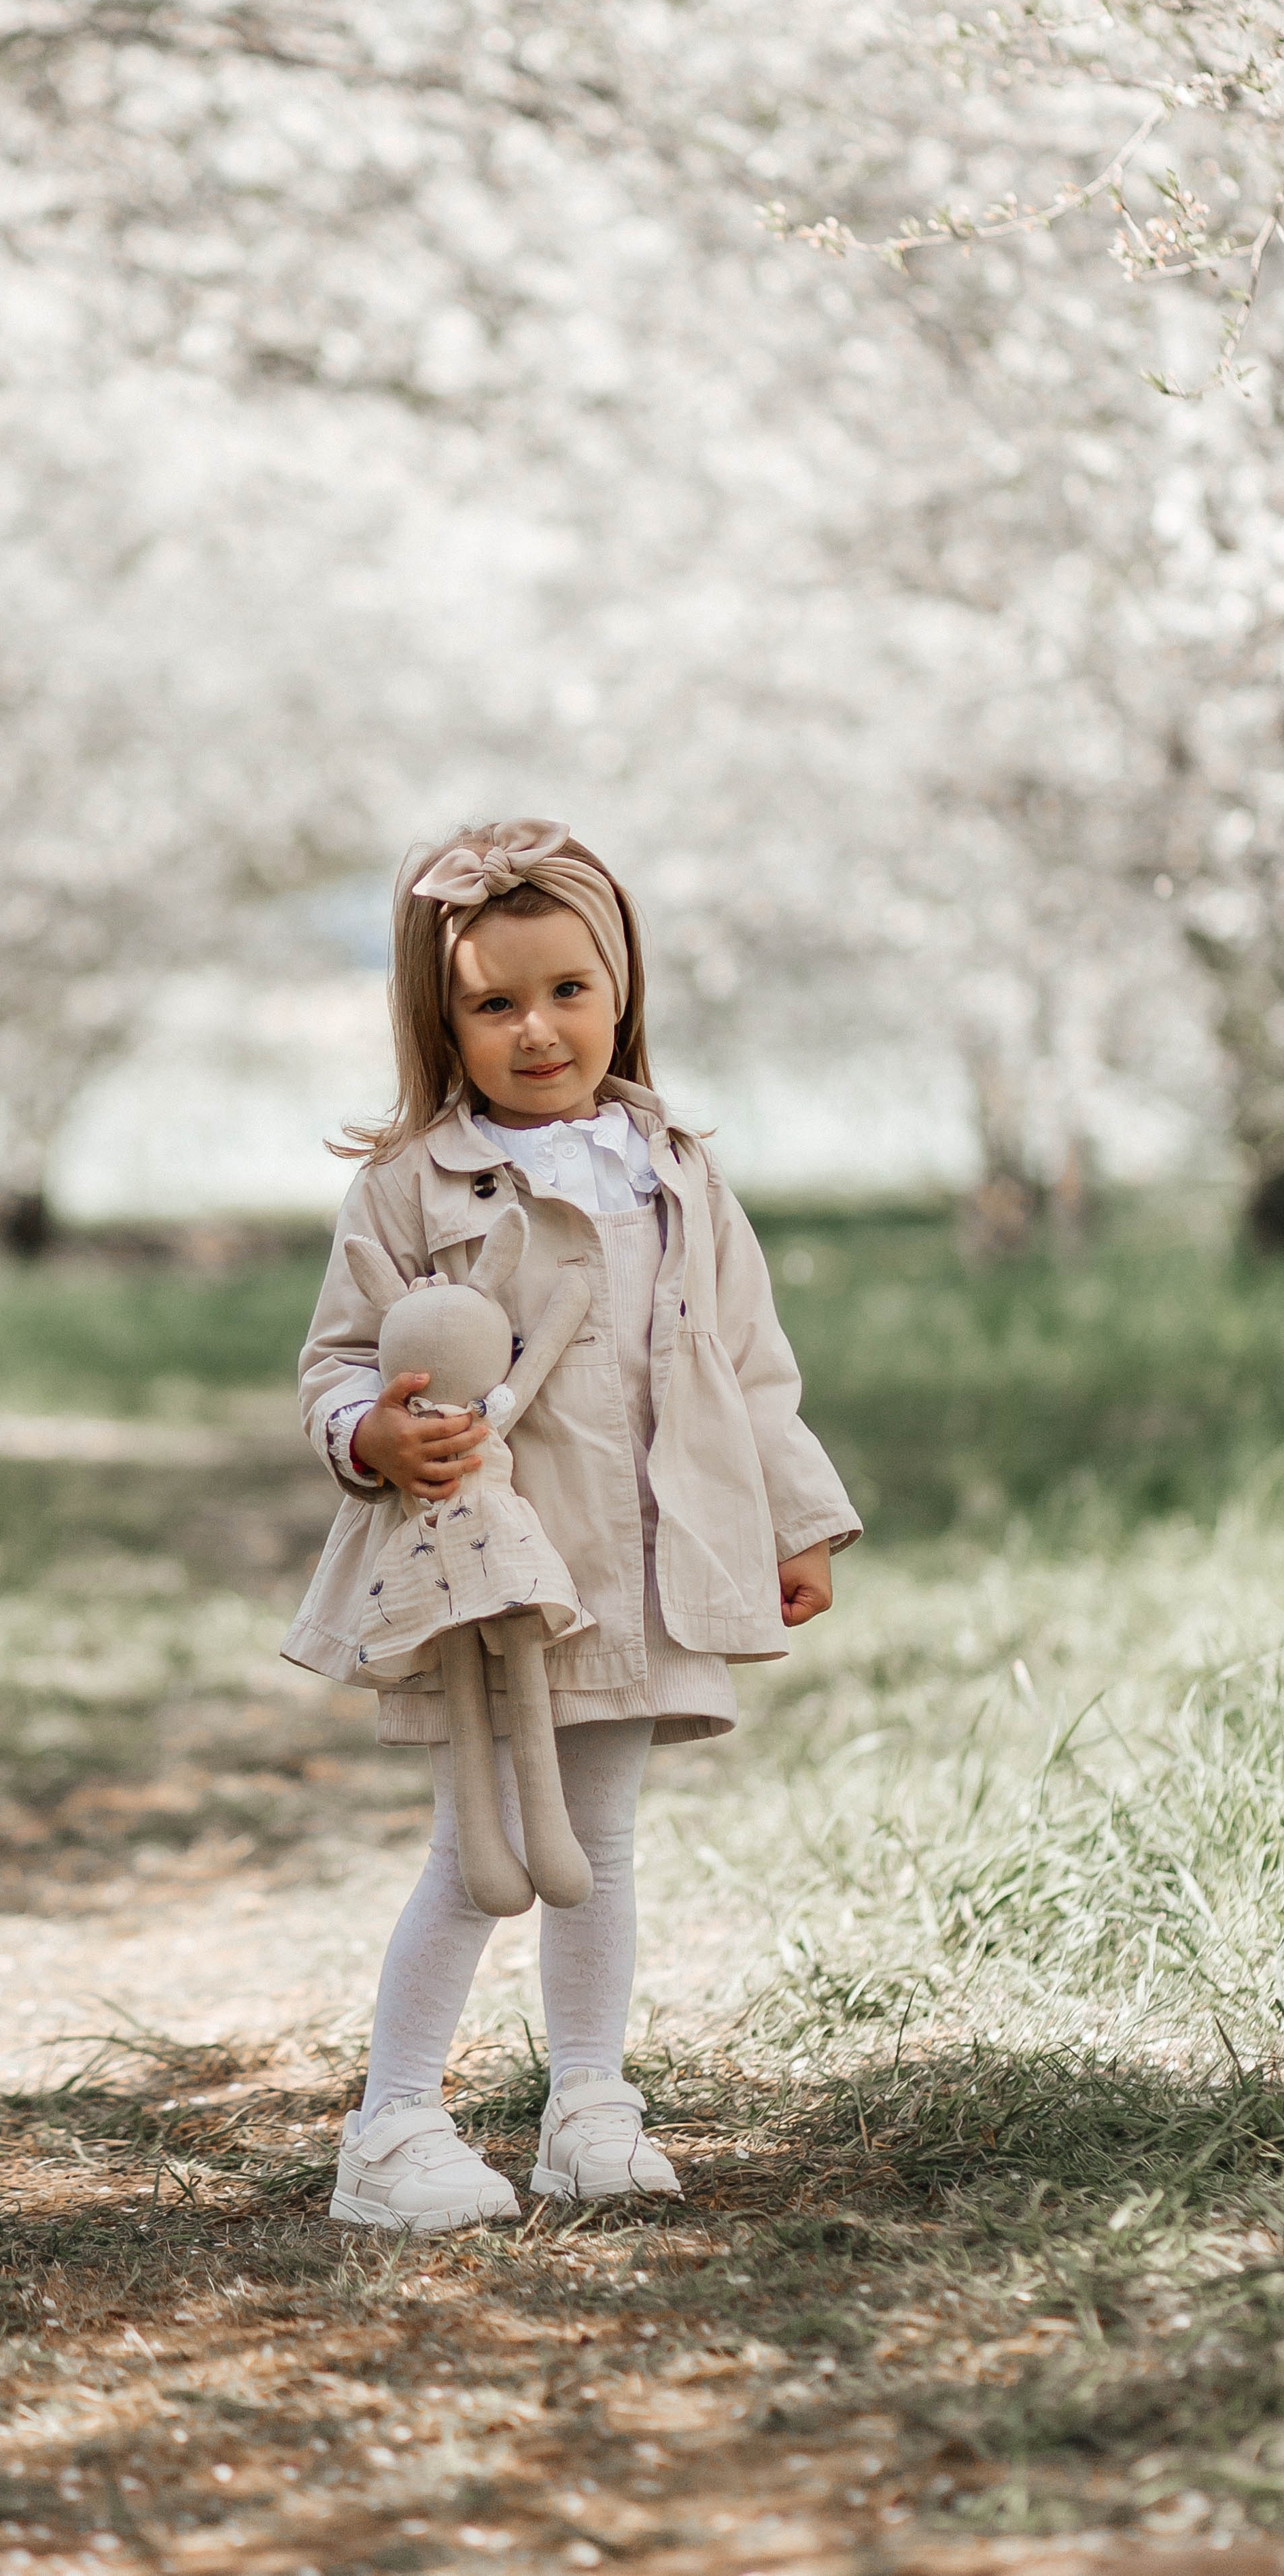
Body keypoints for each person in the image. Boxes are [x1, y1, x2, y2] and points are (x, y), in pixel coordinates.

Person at [283, 819, 860, 2231]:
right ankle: (394, 2125)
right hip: (493, 1577)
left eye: (566, 992)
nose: (537, 1030)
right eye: (493, 1002)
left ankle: (588, 2103)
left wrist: (795, 1519)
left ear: (620, 993)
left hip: (643, 1565)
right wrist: (373, 1431)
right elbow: (339, 1362)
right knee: (478, 1852)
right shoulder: (413, 1186)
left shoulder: (674, 1168)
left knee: (600, 1848)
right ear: (443, 1017)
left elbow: (746, 1359)